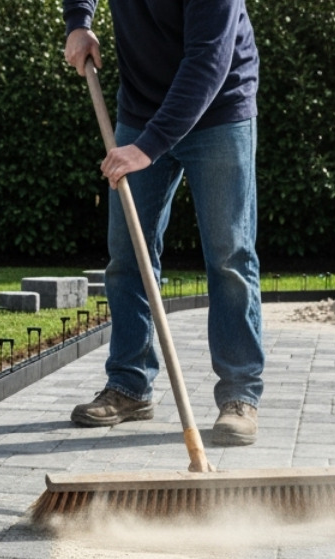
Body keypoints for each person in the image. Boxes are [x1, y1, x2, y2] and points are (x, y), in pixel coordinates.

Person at [63, 0, 264, 445]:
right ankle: (130, 386)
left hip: (218, 110)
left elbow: (208, 60)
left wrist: (147, 148)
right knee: (128, 255)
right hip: (141, 105)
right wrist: (78, 22)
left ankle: (239, 396)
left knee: (229, 254)